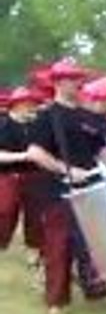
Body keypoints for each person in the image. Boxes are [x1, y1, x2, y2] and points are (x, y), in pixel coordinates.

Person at [26, 58, 106, 314]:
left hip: (91, 184)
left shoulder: (87, 115)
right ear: (59, 82)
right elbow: (35, 153)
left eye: (79, 78)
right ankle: (56, 300)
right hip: (57, 188)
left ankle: (95, 290)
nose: (79, 83)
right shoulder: (45, 116)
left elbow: (101, 148)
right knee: (59, 245)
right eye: (73, 79)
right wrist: (67, 170)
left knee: (92, 242)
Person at [0, 88, 47, 265]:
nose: (32, 107)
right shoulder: (3, 125)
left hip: (34, 175)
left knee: (36, 216)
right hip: (7, 175)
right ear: (17, 105)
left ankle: (34, 251)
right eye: (28, 104)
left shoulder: (36, 126)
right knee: (4, 210)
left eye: (34, 104)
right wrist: (24, 156)